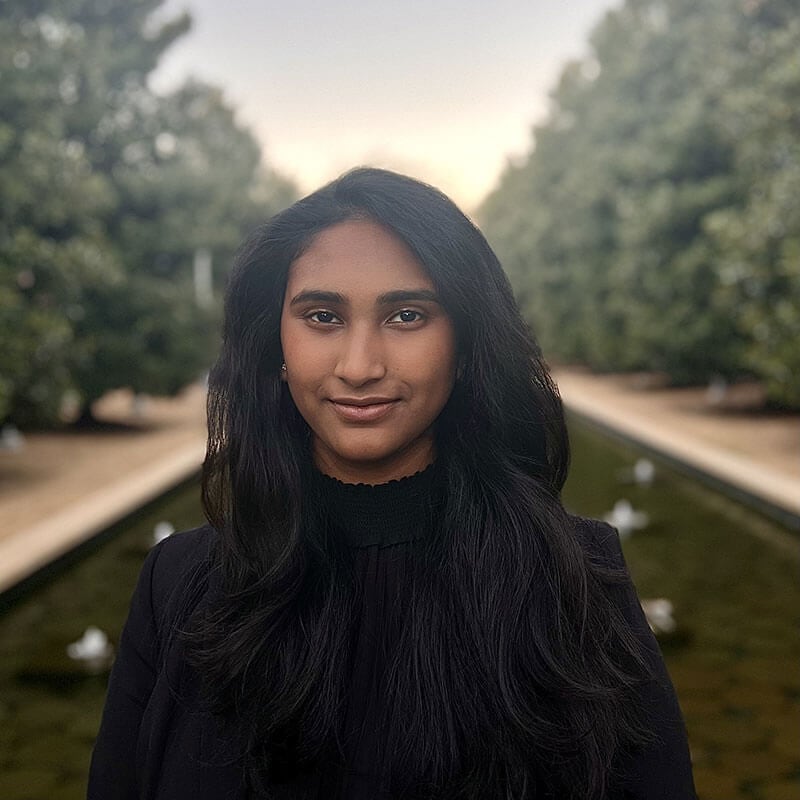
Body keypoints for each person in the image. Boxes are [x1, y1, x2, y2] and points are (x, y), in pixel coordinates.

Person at [88, 167, 696, 799]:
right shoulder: (177, 586)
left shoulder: (578, 581)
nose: (360, 367)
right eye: (322, 316)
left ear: (466, 343)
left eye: (406, 315)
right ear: (275, 343)